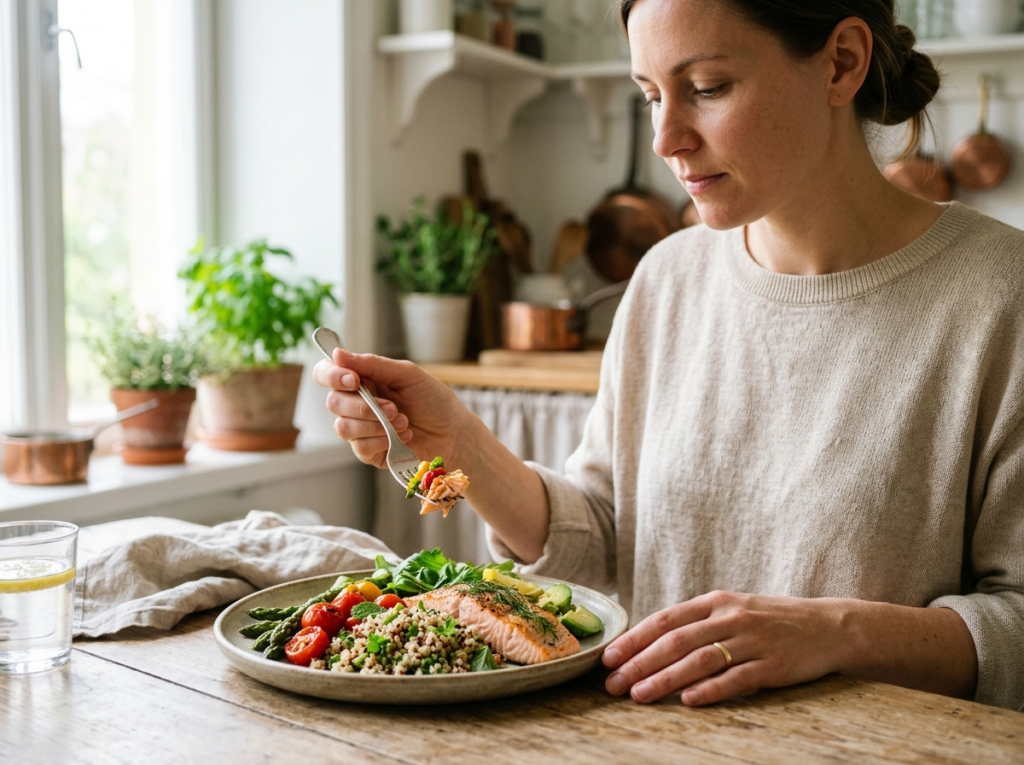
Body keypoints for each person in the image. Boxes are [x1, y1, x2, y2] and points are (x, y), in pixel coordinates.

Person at [314, 0, 1024, 711]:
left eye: (708, 88)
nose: (665, 138)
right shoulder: (665, 277)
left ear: (841, 62)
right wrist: (460, 444)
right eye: (650, 95)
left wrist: (837, 632)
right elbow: (600, 539)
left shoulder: (1000, 294)